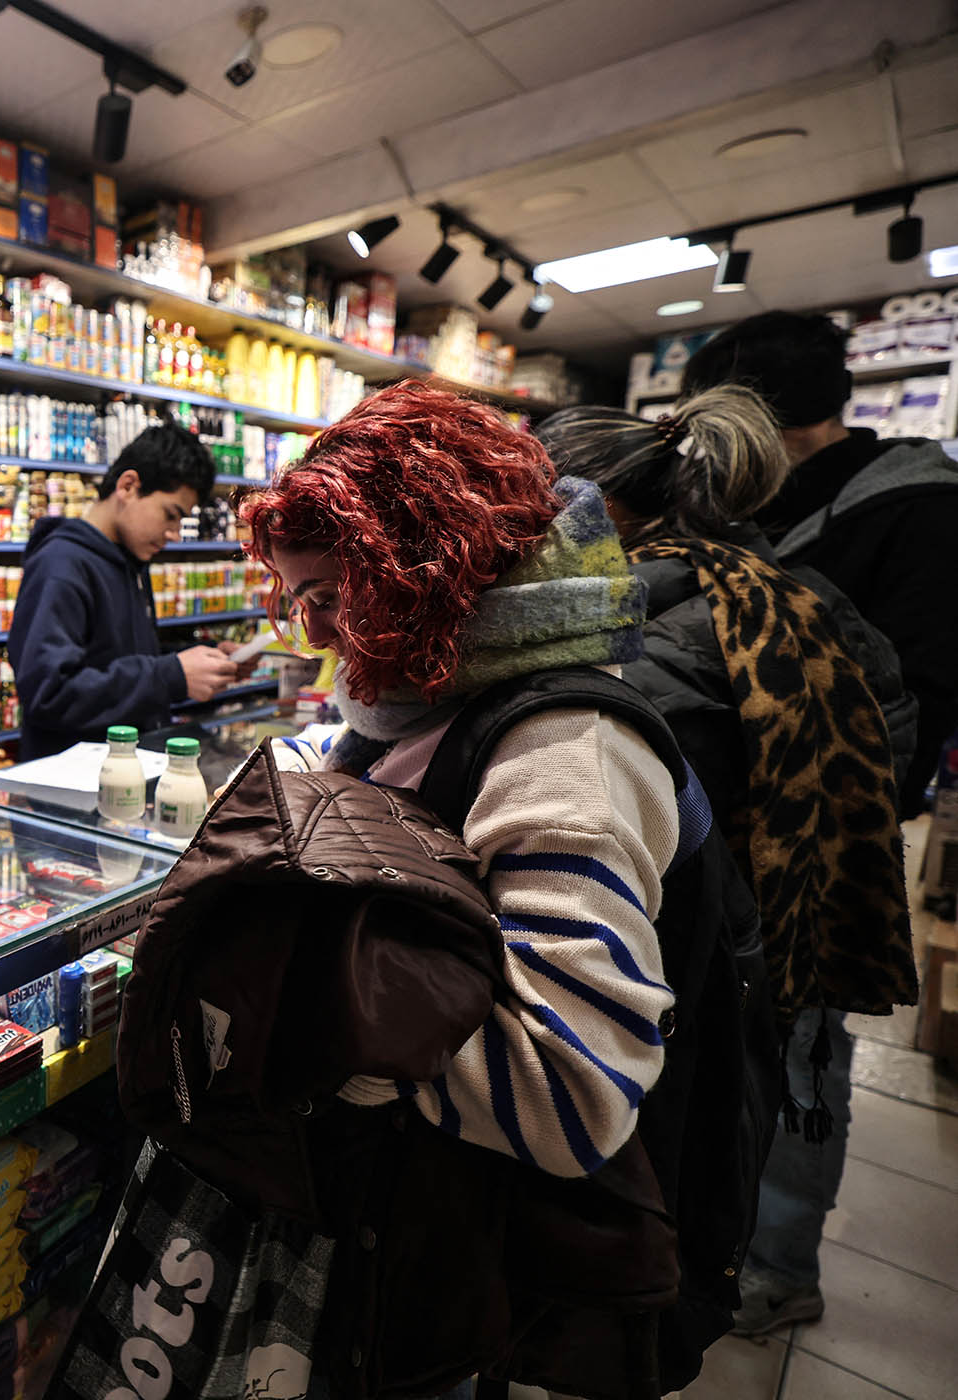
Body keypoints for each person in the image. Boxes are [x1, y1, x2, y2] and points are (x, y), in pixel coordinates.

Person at [251, 382, 686, 1396]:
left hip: (454, 1247)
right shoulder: (447, 677)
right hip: (394, 1218)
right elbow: (392, 767)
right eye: (296, 599)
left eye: (329, 597)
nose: (314, 634)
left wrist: (336, 1025)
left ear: (426, 572)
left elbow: (573, 1096)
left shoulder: (564, 753)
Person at [540, 387, 918, 1339]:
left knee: (717, 1102)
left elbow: (619, 789)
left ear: (602, 506)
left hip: (726, 923)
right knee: (793, 1074)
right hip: (810, 895)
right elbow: (889, 718)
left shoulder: (640, 618)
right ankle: (772, 1267)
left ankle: (691, 1283)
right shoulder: (787, 580)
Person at [679, 310, 958, 812]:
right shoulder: (746, 499)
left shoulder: (923, 510)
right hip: (730, 792)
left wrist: (867, 821)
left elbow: (922, 692)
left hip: (834, 807)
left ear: (755, 416)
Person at [8, 423, 240, 758]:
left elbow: (119, 655)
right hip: (73, 781)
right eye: (170, 515)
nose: (174, 533)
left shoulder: (129, 561)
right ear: (128, 486)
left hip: (126, 770)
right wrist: (171, 676)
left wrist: (206, 657)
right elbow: (49, 693)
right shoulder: (60, 564)